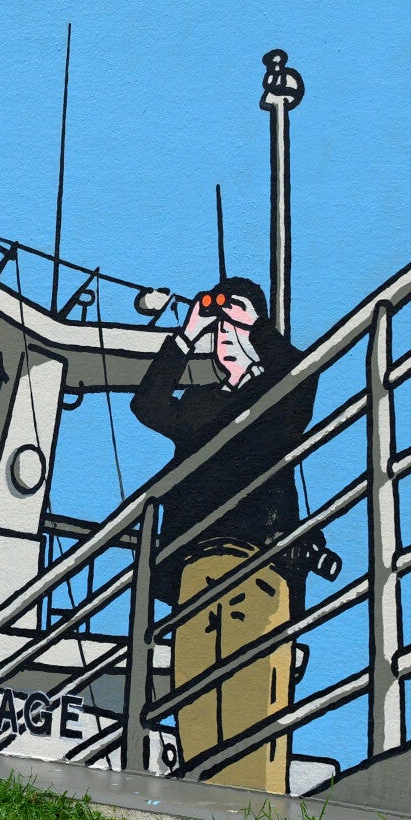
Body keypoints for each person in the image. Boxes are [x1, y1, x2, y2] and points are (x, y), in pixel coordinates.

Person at [130, 275, 316, 792]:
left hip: (257, 561)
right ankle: (199, 801)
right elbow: (147, 405)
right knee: (194, 698)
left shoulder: (276, 399)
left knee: (250, 699)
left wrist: (256, 327)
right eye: (219, 328)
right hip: (194, 565)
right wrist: (185, 336)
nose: (225, 335)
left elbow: (302, 377)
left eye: (235, 325)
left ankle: (254, 807)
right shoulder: (200, 403)